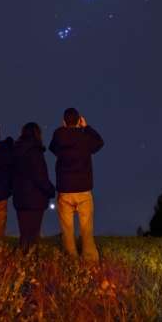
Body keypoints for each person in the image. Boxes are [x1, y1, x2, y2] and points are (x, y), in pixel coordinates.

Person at [50, 107, 104, 263]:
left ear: (64, 121)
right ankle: (89, 260)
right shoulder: (85, 137)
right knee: (86, 229)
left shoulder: (58, 136)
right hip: (83, 190)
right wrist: (86, 127)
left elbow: (53, 148)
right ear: (79, 120)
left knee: (67, 230)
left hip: (65, 190)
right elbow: (100, 143)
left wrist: (63, 129)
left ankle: (71, 259)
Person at [12, 122, 56, 252]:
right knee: (33, 234)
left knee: (24, 233)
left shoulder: (15, 151)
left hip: (20, 198)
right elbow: (40, 176)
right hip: (35, 199)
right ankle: (31, 262)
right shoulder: (35, 152)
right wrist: (50, 190)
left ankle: (21, 259)